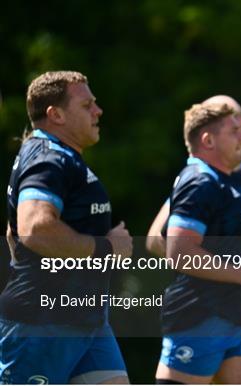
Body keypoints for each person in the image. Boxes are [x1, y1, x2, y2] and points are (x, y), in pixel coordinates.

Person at [0, 71, 133, 384]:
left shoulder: (60, 156)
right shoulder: (49, 159)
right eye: (87, 105)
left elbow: (13, 233)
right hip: (42, 324)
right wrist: (107, 247)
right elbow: (33, 228)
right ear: (55, 114)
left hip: (86, 320)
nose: (98, 111)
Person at [146, 96, 241, 375]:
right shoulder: (200, 178)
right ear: (209, 138)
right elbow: (160, 240)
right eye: (234, 120)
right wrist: (230, 272)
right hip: (206, 307)